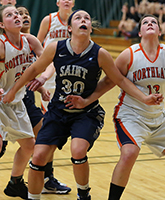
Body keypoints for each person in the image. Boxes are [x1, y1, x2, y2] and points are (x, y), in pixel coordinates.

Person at [3, 10, 163, 200]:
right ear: (70, 28)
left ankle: (83, 194)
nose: (84, 20)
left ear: (90, 28)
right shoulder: (56, 48)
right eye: (78, 18)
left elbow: (118, 79)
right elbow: (34, 69)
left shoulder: (100, 53)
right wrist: (13, 90)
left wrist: (143, 98)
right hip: (58, 111)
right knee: (38, 158)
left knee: (78, 150)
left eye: (87, 18)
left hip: (86, 112)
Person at [17, 4, 71, 195]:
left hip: (28, 95)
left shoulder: (33, 43)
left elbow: (47, 63)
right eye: (18, 13)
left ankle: (44, 178)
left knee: (44, 136)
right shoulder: (6, 42)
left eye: (26, 14)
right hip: (9, 98)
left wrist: (40, 86)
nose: (24, 16)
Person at [0, 4, 44, 199]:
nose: (16, 16)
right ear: (2, 24)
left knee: (29, 146)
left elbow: (40, 66)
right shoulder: (1, 45)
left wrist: (41, 87)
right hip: (1, 101)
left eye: (17, 13)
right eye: (10, 15)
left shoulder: (30, 41)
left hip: (16, 102)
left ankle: (15, 182)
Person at [37, 0, 75, 113]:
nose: (67, 1)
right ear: (57, 3)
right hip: (50, 64)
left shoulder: (76, 20)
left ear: (73, 3)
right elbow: (37, 43)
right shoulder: (48, 20)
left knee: (67, 98)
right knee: (47, 98)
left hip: (69, 65)